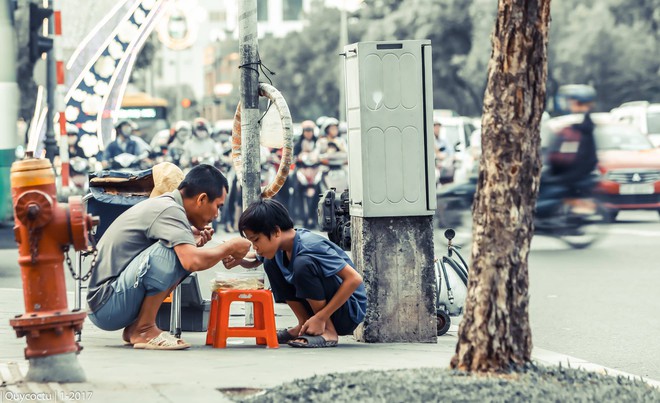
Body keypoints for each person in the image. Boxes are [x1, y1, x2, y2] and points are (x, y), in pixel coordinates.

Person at [86, 164, 252, 350]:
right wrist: (229, 246)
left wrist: (193, 241)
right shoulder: (169, 210)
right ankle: (144, 329)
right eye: (218, 206)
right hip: (105, 305)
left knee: (181, 252)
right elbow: (192, 260)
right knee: (173, 252)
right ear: (202, 199)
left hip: (109, 302)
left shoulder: (169, 207)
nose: (217, 214)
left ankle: (138, 328)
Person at [225, 199, 367, 348]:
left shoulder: (310, 245)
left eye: (256, 240)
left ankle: (328, 331)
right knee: (269, 262)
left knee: (302, 264)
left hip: (347, 312)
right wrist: (239, 260)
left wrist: (321, 317)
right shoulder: (280, 247)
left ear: (276, 231)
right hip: (322, 313)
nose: (255, 247)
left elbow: (354, 279)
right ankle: (304, 324)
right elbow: (255, 260)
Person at [537, 85, 599, 218]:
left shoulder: (578, 122)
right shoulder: (580, 121)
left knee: (547, 187)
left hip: (574, 171)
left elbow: (571, 154)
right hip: (575, 169)